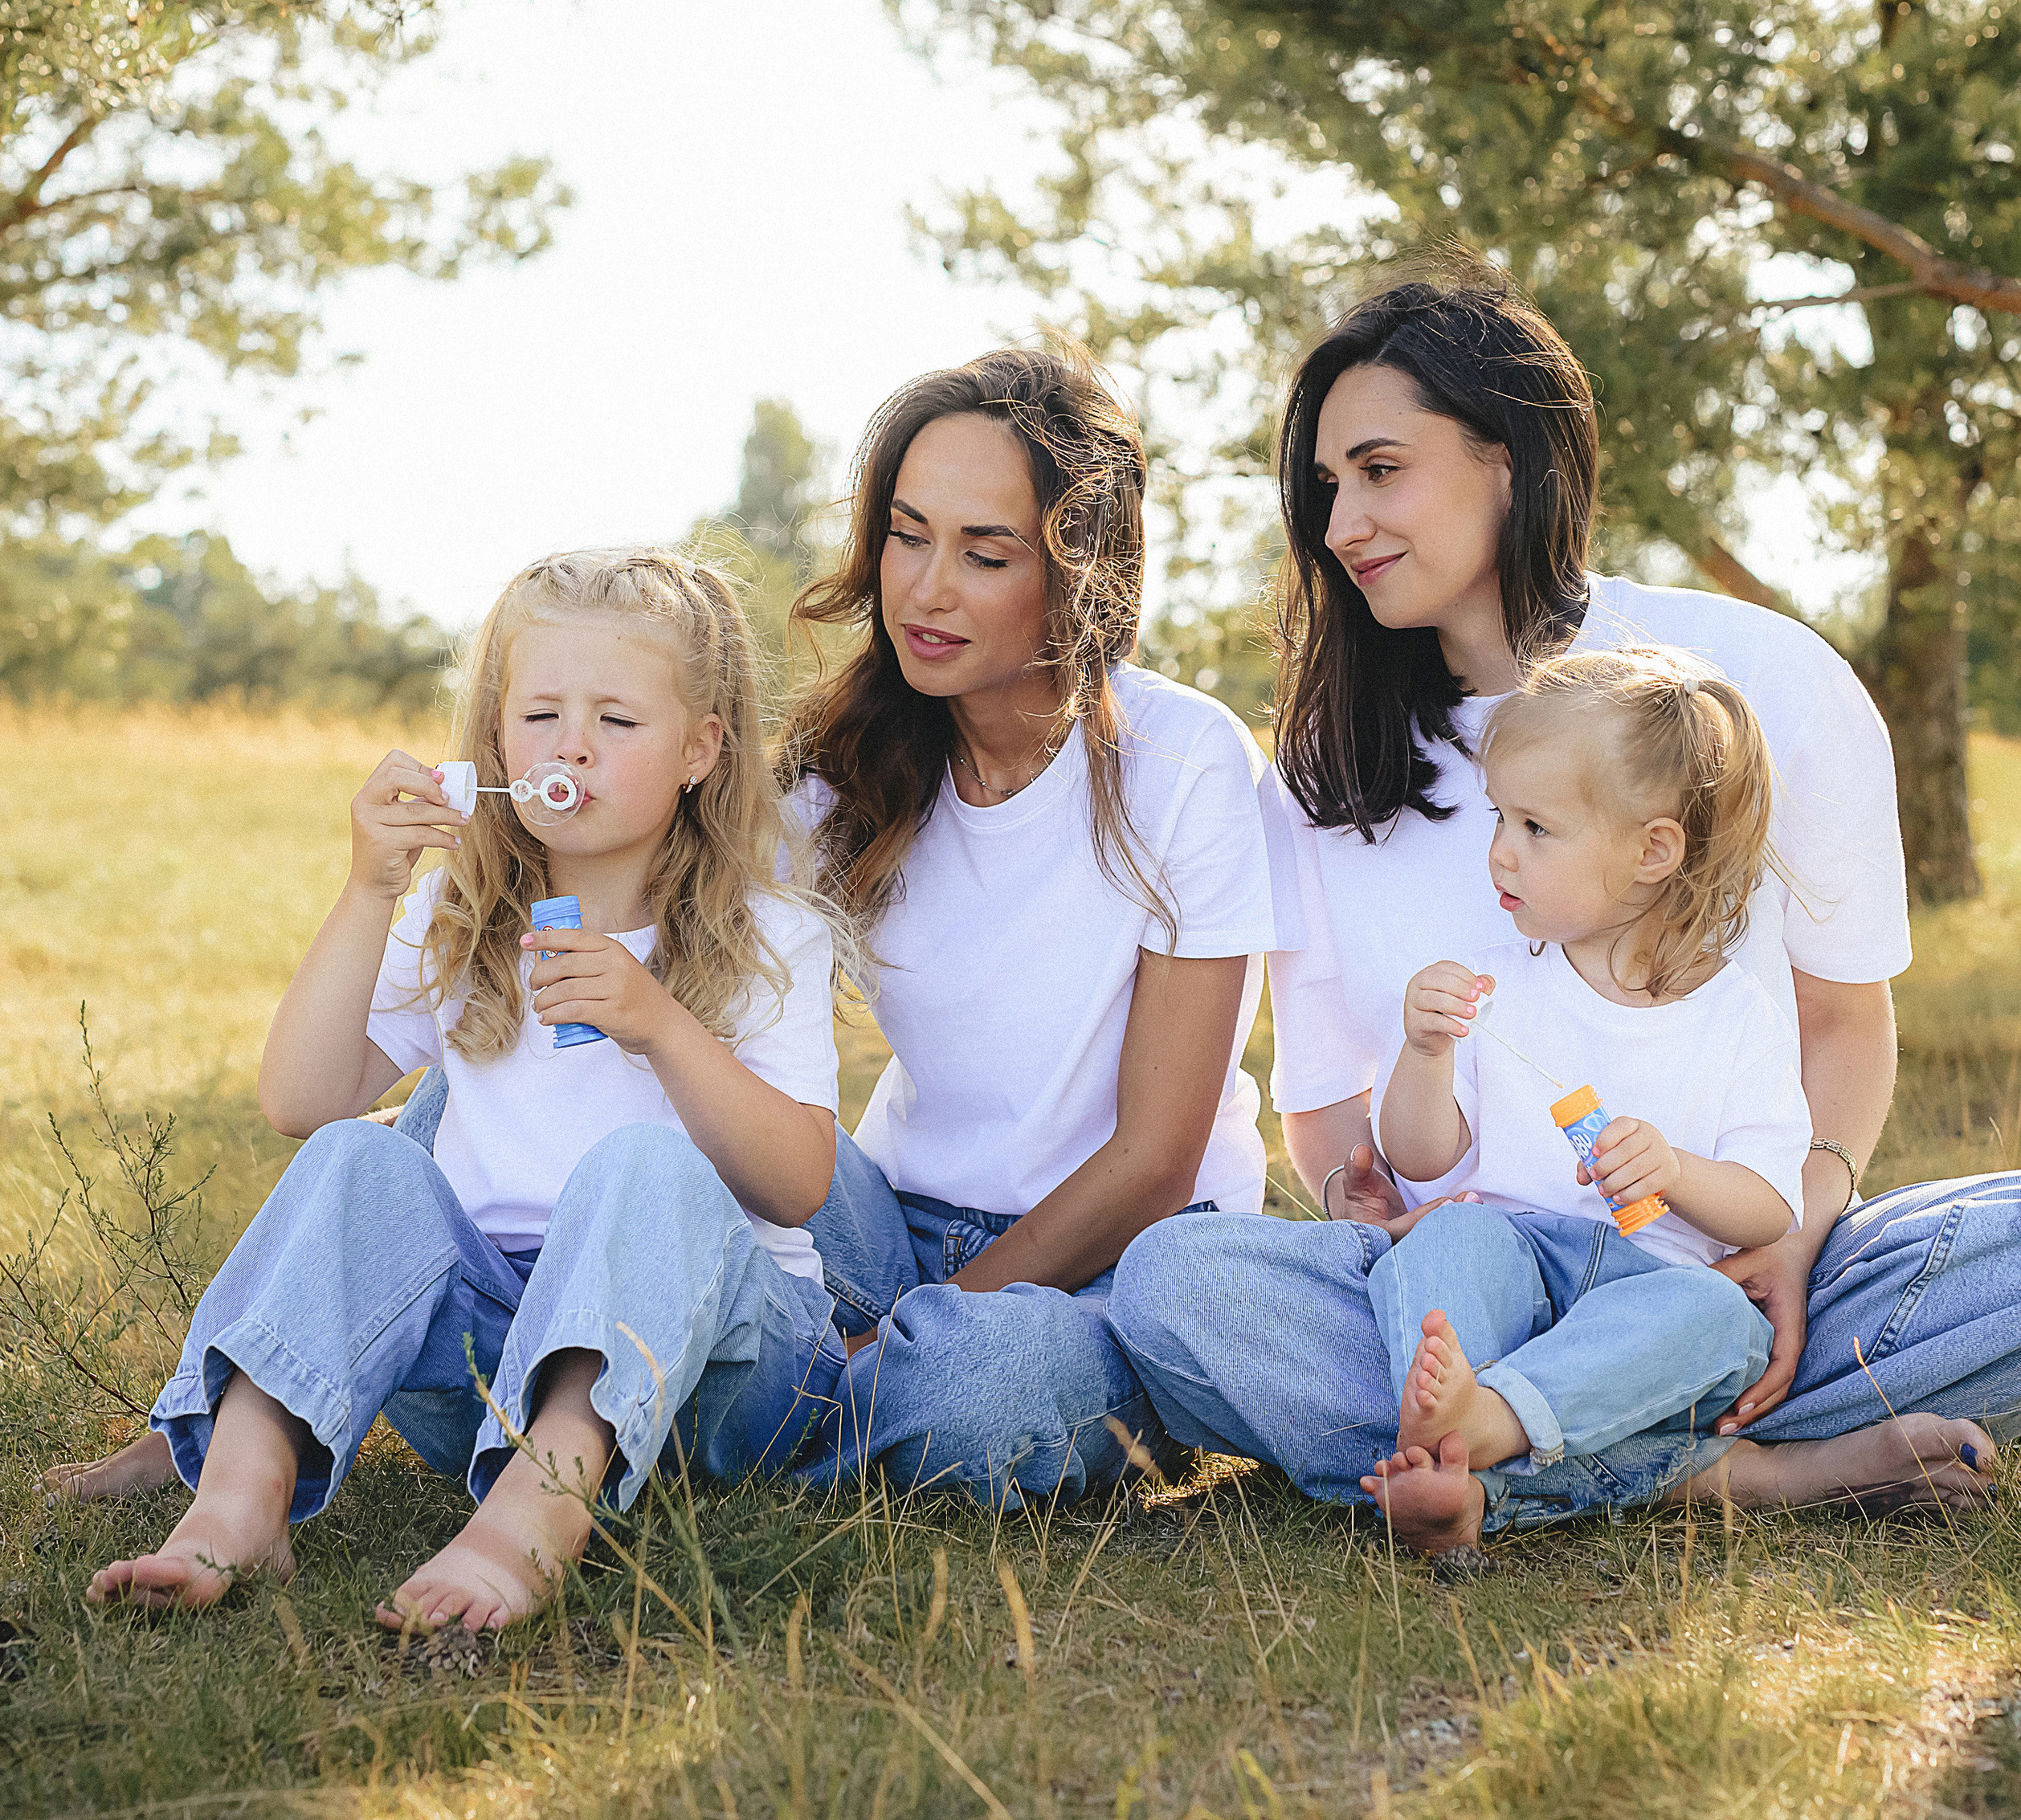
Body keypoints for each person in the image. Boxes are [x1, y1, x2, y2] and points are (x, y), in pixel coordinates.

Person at [1109, 260, 2011, 1543]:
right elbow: (1323, 1120)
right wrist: (1382, 1203)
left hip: (1727, 1271)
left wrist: (1796, 1241)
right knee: (1173, 1289)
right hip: (1462, 1288)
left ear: (1512, 458)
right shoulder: (1322, 776)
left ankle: (1520, 1448)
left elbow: (1844, 1029)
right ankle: (1716, 1469)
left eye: (1380, 470)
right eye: (1323, 489)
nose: (1340, 523)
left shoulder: (1761, 678)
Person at [75, 548, 852, 1623]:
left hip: (725, 1370)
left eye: (617, 722)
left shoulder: (767, 929)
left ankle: (530, 1524)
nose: (571, 745)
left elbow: (801, 1185)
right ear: (496, 740)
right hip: (495, 1360)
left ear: (699, 750)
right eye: (540, 716)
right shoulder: (461, 908)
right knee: (360, 1156)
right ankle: (239, 1503)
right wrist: (367, 890)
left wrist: (659, 1025)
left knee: (643, 1162)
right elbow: (302, 1103)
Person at [776, 341, 1285, 1505]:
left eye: (984, 553)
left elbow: (1156, 1161)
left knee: (984, 1390)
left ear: (1079, 573)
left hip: (1117, 1270)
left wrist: (926, 1329)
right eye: (907, 535)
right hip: (892, 1234)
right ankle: (808, 1393)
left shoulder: (1183, 760)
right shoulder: (841, 770)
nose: (925, 588)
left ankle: (776, 1405)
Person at [1361, 648, 1806, 1543]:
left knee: (1718, 1317)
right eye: (1499, 816)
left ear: (1651, 851)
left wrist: (1675, 1171)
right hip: (1514, 1271)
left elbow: (1766, 1208)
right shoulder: (1490, 990)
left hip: (1650, 1289)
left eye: (1535, 826)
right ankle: (1479, 1424)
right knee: (1451, 1232)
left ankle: (1480, 1429)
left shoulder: (1735, 1017)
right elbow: (1418, 1160)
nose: (1499, 850)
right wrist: (1422, 1051)